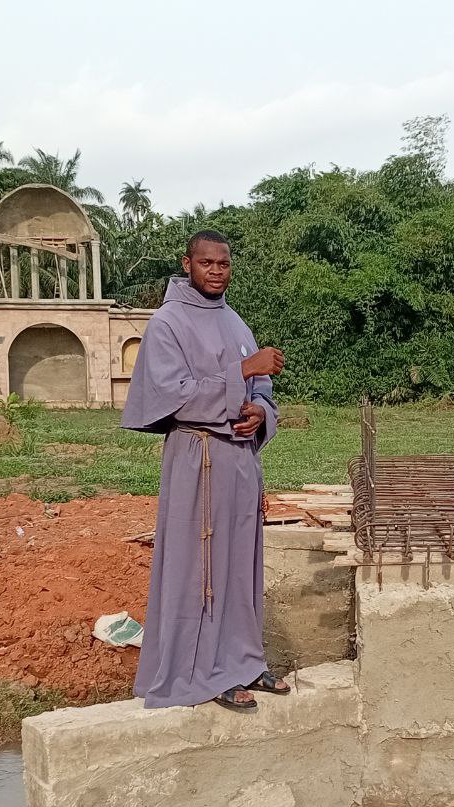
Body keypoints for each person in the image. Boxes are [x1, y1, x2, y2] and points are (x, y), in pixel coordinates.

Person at [121, 230, 291, 711]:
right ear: (188, 264)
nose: (217, 271)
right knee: (200, 571)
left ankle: (243, 662)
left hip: (239, 460)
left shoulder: (236, 323)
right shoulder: (167, 324)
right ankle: (199, 675)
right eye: (207, 263)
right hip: (197, 459)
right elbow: (172, 396)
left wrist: (261, 412)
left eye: (224, 263)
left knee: (240, 566)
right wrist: (241, 373)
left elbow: (261, 391)